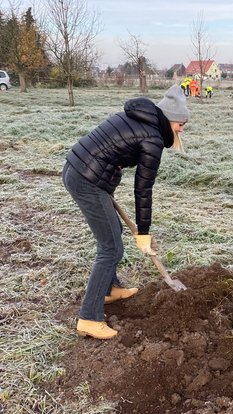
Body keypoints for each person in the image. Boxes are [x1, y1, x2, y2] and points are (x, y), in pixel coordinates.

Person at [62, 85, 189, 339]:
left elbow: (110, 152)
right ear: (168, 118)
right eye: (180, 123)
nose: (182, 129)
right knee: (111, 248)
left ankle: (110, 289)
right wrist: (143, 232)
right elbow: (143, 188)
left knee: (114, 233)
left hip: (79, 169)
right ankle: (89, 317)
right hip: (87, 180)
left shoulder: (139, 116)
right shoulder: (152, 138)